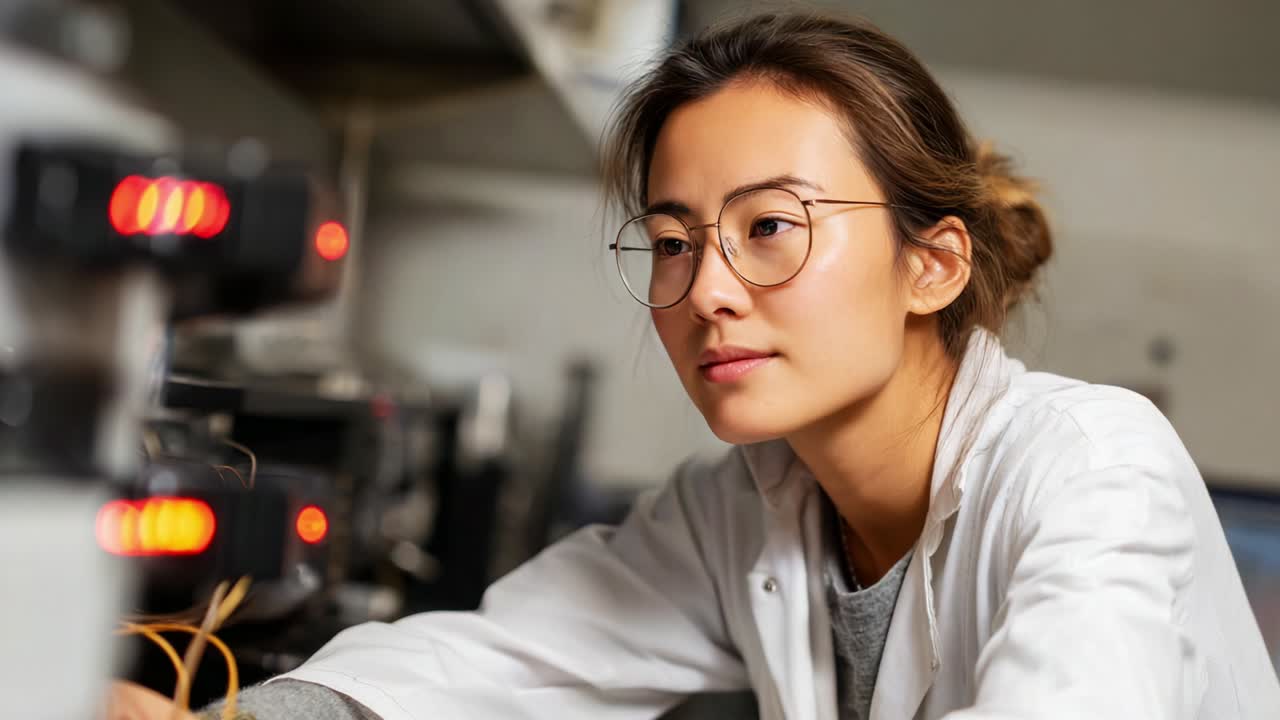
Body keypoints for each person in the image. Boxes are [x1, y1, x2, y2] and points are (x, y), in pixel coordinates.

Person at [111, 11, 1279, 720]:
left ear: (931, 265)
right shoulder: (747, 508)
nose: (706, 287)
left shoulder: (1088, 468)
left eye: (769, 226)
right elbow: (503, 663)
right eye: (673, 242)